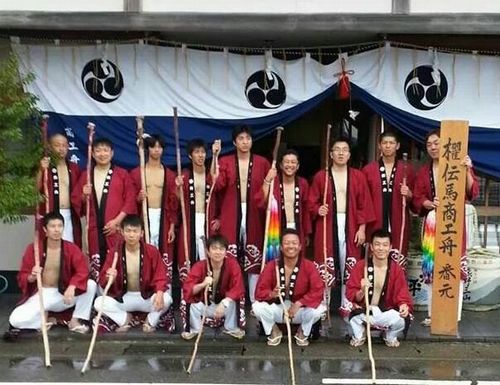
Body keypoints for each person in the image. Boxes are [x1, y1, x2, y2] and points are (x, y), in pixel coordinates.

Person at [413, 129, 479, 326]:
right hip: (433, 223)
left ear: (446, 144)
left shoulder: (459, 165)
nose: (433, 147)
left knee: (454, 267)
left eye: (437, 143)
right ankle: (434, 314)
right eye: (429, 144)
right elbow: (417, 197)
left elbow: (472, 191)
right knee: (433, 267)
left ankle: (453, 314)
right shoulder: (424, 171)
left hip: (454, 223)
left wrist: (468, 169)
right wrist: (428, 203)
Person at [308, 136, 375, 317]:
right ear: (331, 154)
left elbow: (364, 204)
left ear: (349, 154)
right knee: (325, 261)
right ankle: (324, 304)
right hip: (327, 223)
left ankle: (347, 303)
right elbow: (311, 202)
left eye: (344, 149)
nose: (340, 153)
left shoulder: (358, 176)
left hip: (351, 222)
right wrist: (318, 209)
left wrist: (362, 229)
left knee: (350, 262)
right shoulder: (322, 176)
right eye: (337, 149)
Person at [9, 212, 96, 333]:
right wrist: (32, 277)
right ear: (45, 229)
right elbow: (23, 276)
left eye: (60, 226)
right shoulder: (34, 249)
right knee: (15, 320)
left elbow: (82, 270)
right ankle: (43, 321)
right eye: (52, 226)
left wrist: (72, 286)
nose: (56, 230)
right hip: (43, 294)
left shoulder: (71, 249)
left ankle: (76, 320)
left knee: (91, 285)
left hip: (64, 294)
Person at [212, 125, 270, 302]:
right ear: (234, 142)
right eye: (241, 139)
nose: (245, 142)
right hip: (230, 212)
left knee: (254, 254)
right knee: (230, 254)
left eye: (248, 138)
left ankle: (254, 299)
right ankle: (232, 297)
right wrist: (215, 156)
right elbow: (216, 185)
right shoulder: (225, 161)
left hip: (254, 212)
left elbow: (270, 191)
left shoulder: (262, 163)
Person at [93, 215, 172, 333]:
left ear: (141, 233)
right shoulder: (115, 252)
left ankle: (150, 321)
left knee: (166, 299)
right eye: (128, 231)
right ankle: (124, 318)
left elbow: (160, 276)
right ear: (122, 232)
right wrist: (110, 277)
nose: (131, 235)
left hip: (146, 297)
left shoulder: (151, 251)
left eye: (135, 231)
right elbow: (104, 281)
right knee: (98, 303)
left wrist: (160, 293)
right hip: (123, 298)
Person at [72, 137, 136, 280]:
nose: (102, 154)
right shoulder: (86, 176)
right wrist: (83, 195)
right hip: (94, 228)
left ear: (112, 153)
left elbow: (130, 200)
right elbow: (76, 201)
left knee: (116, 260)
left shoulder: (122, 174)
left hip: (116, 228)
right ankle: (99, 294)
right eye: (98, 151)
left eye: (105, 150)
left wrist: (117, 221)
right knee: (96, 260)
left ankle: (116, 292)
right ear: (93, 154)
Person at [253, 229, 326, 347]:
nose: (290, 246)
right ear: (281, 247)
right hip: (278, 310)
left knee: (319, 309)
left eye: (294, 243)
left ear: (300, 246)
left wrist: (299, 303)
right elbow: (259, 291)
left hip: (299, 312)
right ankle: (274, 331)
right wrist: (271, 294)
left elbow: (317, 291)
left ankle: (302, 332)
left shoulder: (309, 266)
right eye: (287, 243)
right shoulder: (272, 266)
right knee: (257, 307)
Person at [346, 229, 413, 348]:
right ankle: (360, 334)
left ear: (390, 247)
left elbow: (402, 293)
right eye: (377, 244)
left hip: (385, 311)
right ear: (371, 246)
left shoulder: (396, 269)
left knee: (403, 319)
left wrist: (403, 305)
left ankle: (389, 335)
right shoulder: (361, 266)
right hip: (365, 311)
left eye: (385, 245)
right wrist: (361, 291)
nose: (381, 248)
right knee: (349, 312)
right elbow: (351, 294)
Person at [362, 131, 415, 264]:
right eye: (384, 143)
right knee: (374, 258)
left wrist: (409, 194)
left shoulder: (407, 169)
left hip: (399, 221)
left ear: (397, 146)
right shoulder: (368, 170)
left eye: (391, 143)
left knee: (398, 257)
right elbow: (363, 201)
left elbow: (416, 199)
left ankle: (396, 284)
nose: (388, 146)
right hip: (374, 222)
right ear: (379, 145)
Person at [130, 135, 177, 281]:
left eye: (159, 147)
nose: (156, 150)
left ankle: (164, 290)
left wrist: (172, 226)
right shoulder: (137, 173)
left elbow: (173, 202)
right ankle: (145, 287)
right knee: (145, 249)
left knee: (163, 251)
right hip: (144, 216)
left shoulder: (169, 174)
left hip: (162, 217)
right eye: (153, 147)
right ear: (147, 149)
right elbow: (128, 200)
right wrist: (138, 199)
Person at [181, 235, 245, 340]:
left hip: (223, 306)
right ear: (208, 251)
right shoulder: (200, 266)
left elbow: (238, 287)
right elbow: (188, 289)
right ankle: (195, 329)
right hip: (205, 305)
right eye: (214, 248)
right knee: (186, 302)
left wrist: (224, 303)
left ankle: (232, 327)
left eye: (221, 249)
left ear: (226, 252)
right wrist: (202, 284)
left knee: (237, 298)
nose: (218, 252)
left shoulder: (233, 265)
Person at [176, 138, 219, 281]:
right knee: (187, 253)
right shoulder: (185, 175)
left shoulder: (209, 174)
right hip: (189, 219)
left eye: (202, 152)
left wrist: (215, 155)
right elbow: (175, 200)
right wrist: (177, 187)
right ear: (190, 155)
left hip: (207, 219)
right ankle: (186, 293)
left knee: (206, 253)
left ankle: (207, 291)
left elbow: (217, 184)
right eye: (196, 152)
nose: (200, 155)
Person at [257, 149, 311, 258]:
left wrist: (306, 233)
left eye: (293, 162)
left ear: (298, 166)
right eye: (287, 162)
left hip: (296, 227)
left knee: (297, 258)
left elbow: (306, 209)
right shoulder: (273, 182)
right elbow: (261, 201)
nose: (290, 165)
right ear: (281, 165)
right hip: (276, 227)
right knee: (276, 259)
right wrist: (267, 179)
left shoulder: (303, 184)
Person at [38, 133, 82, 246]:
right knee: (50, 247)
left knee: (70, 247)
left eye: (64, 145)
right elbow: (34, 190)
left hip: (70, 214)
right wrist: (41, 170)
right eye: (57, 145)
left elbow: (79, 194)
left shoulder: (74, 168)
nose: (61, 148)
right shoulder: (44, 166)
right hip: (51, 213)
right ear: (50, 147)